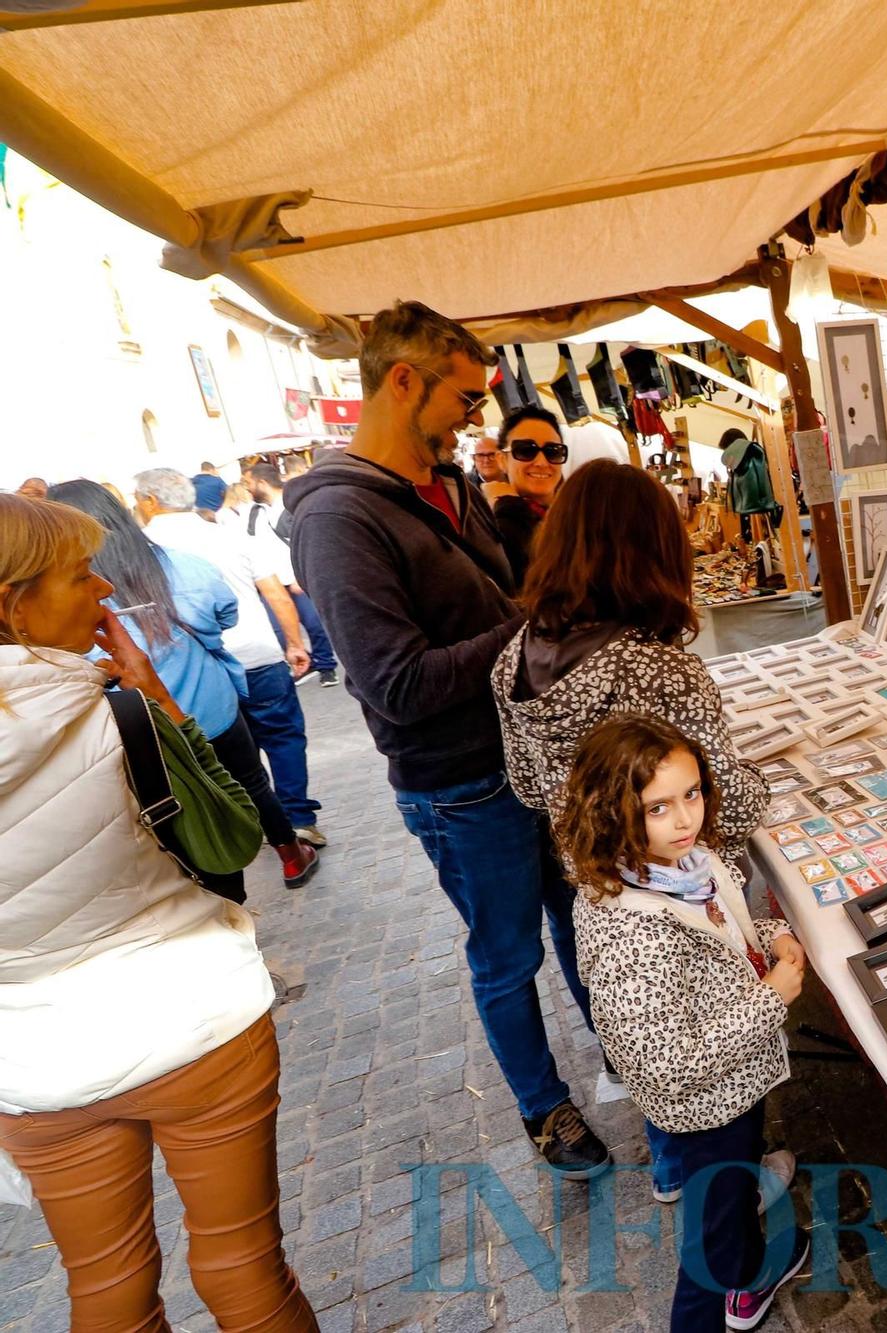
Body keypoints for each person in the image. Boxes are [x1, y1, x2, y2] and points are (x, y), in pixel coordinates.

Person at [286, 300, 610, 1176]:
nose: (475, 419)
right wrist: (529, 627)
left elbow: (498, 601)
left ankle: (622, 1048)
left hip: (532, 756)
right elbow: (395, 684)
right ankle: (545, 1107)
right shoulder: (338, 518)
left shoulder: (455, 485)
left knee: (582, 918)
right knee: (507, 955)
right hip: (461, 783)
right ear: (403, 381)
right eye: (465, 398)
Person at [0, 493, 316, 1332]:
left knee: (107, 1288)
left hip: (34, 1064)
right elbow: (234, 836)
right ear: (13, 604)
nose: (104, 590)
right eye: (79, 575)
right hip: (191, 1022)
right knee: (244, 1265)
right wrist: (159, 701)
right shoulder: (119, 713)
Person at [493, 459, 773, 1203]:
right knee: (710, 1028)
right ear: (652, 549)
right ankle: (723, 1196)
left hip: (602, 884)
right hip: (686, 893)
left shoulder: (516, 656)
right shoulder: (658, 669)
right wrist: (758, 781)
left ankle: (673, 1164)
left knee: (653, 1021)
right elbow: (724, 801)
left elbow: (528, 787)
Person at [554, 715, 810, 1333]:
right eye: (658, 807)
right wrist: (771, 999)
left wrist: (770, 933)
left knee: (732, 1185)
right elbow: (665, 1064)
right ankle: (722, 1295)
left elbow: (723, 918)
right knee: (708, 1241)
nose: (685, 818)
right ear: (612, 813)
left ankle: (751, 1265)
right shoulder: (630, 930)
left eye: (692, 793)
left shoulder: (683, 862)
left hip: (737, 1081)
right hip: (705, 1104)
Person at [45, 479, 321, 879]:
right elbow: (225, 613)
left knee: (174, 803)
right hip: (211, 706)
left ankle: (215, 882)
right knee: (251, 783)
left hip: (140, 728)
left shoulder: (65, 601)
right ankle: (291, 856)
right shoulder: (184, 566)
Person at [134, 468, 327, 872]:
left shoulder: (142, 551)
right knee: (282, 738)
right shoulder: (230, 534)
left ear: (150, 501)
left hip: (197, 674)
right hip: (257, 655)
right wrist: (294, 642)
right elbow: (274, 593)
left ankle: (258, 825)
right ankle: (296, 820)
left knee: (231, 755)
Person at [245, 463, 340, 687]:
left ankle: (327, 666)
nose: (246, 488)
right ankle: (305, 660)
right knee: (279, 628)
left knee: (315, 625)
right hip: (272, 581)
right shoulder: (254, 512)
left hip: (298, 579)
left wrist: (302, 573)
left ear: (262, 482)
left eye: (248, 483)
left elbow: (311, 542)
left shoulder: (291, 505)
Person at [481, 404, 568, 582]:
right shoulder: (492, 528)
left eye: (553, 452)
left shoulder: (578, 516)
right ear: (502, 460)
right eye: (526, 450)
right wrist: (509, 507)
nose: (541, 462)